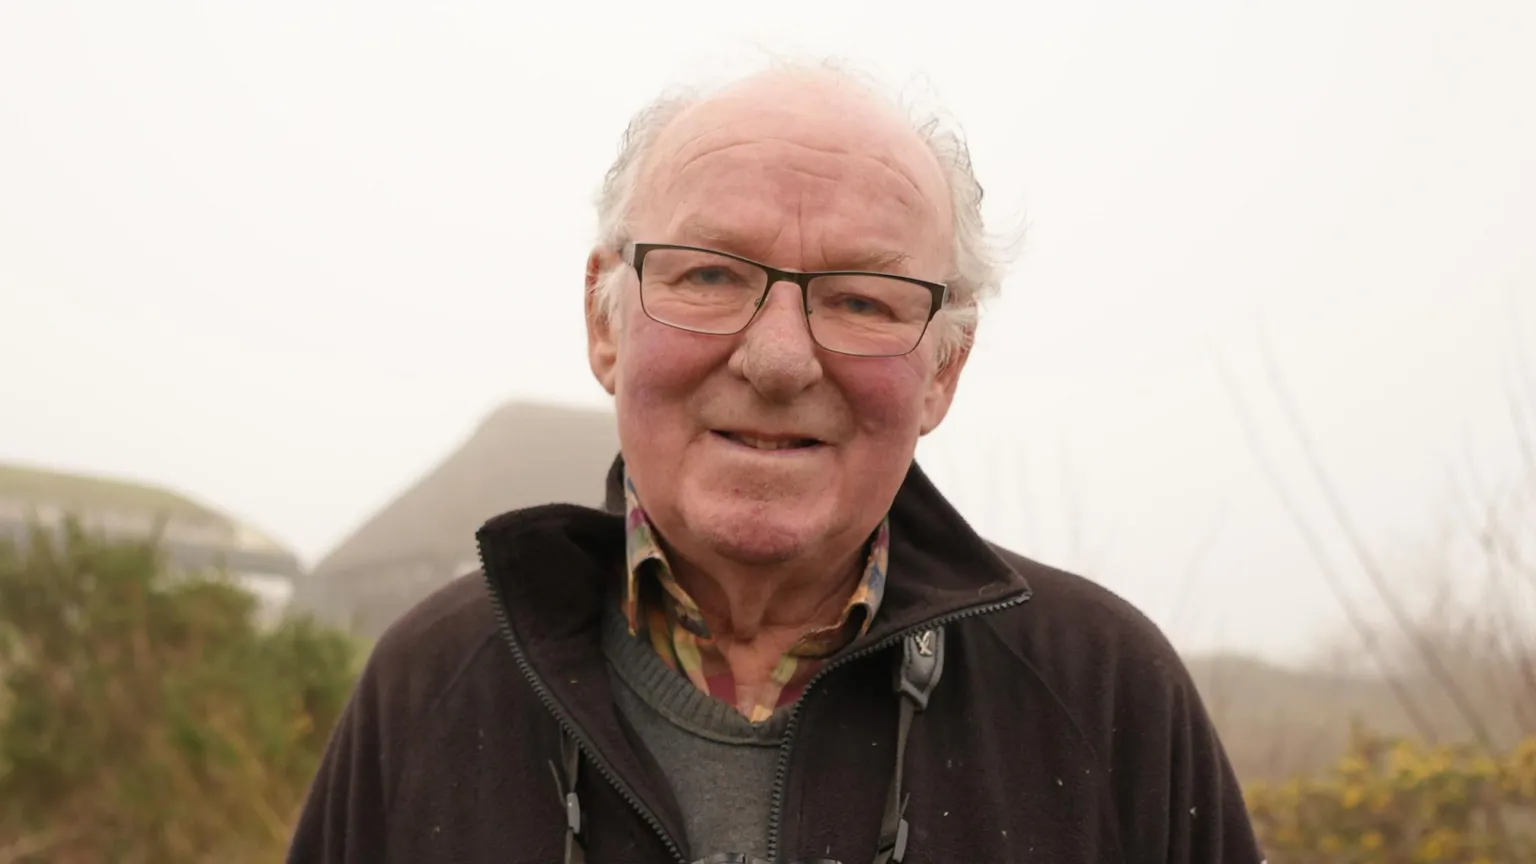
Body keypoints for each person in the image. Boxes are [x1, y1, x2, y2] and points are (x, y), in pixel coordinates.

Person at [287, 62, 1266, 864]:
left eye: (863, 298)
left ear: (944, 369)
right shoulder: (433, 686)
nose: (781, 359)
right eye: (710, 274)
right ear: (605, 320)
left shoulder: (1101, 695)